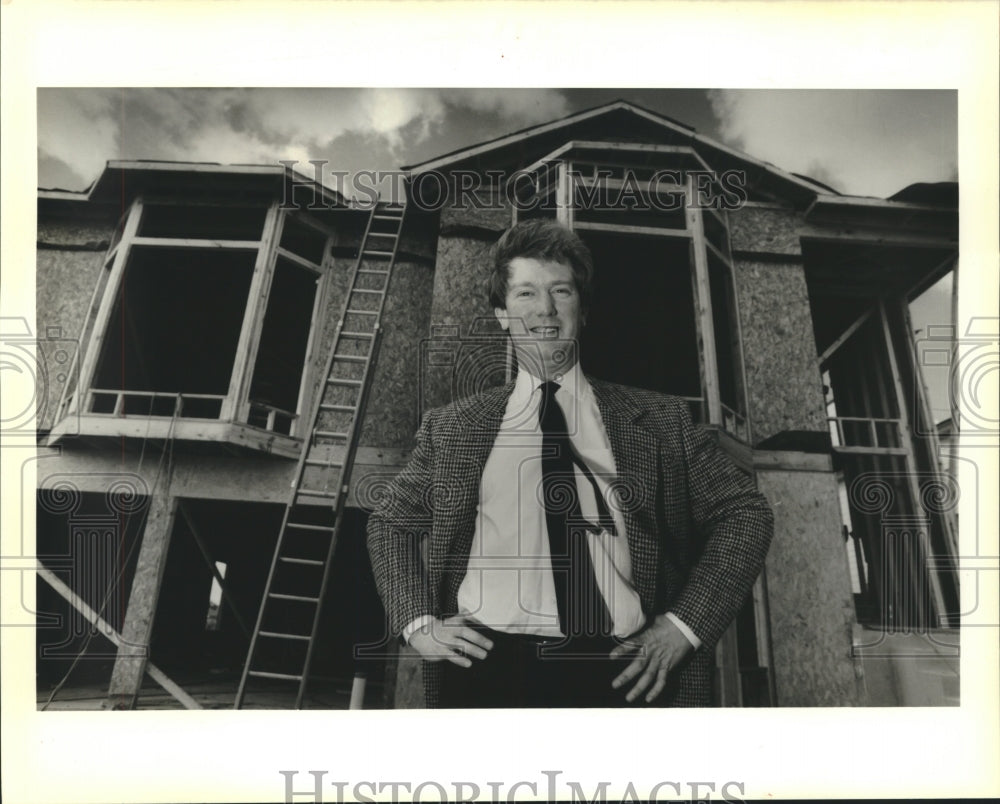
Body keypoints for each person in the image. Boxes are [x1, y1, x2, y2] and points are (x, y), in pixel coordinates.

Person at [367, 219, 773, 708]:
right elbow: (390, 520)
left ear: (582, 311)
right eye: (525, 294)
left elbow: (745, 514)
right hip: (483, 673)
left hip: (623, 672)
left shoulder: (660, 421)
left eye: (561, 291)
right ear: (500, 313)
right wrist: (417, 622)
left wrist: (684, 626)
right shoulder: (453, 427)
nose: (546, 309)